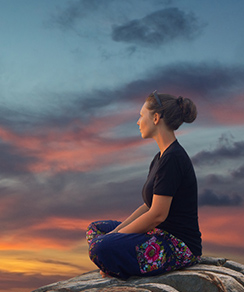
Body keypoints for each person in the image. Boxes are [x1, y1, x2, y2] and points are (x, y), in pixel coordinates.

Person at [86, 90, 202, 280]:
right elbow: (148, 206)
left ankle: (114, 265)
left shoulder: (174, 158)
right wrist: (116, 233)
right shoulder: (160, 157)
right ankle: (113, 262)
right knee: (96, 229)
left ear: (156, 118)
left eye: (141, 116)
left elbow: (157, 214)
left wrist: (116, 238)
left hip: (177, 245)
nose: (138, 122)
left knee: (101, 247)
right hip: (157, 234)